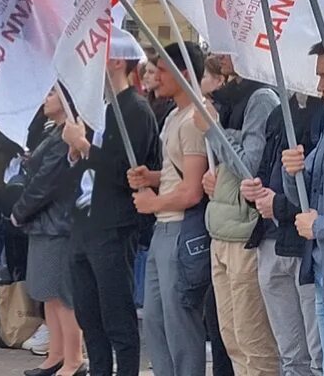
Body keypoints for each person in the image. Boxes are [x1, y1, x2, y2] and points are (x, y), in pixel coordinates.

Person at [62, 29, 160, 376]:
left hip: (114, 225)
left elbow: (124, 171)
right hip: (86, 222)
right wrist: (77, 151)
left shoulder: (135, 109)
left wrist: (86, 148)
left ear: (117, 61)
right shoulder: (102, 107)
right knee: (90, 317)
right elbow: (93, 165)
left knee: (117, 316)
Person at [128, 42, 209, 376]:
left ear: (184, 73)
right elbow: (180, 176)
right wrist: (155, 176)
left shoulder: (194, 118)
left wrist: (152, 202)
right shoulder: (176, 115)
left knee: (179, 324)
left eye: (161, 70)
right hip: (164, 228)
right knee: (156, 322)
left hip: (179, 230)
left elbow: (191, 191)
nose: (154, 76)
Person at [196, 55, 279, 375]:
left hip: (244, 237)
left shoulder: (260, 98)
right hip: (223, 231)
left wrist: (213, 129)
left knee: (253, 342)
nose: (217, 53)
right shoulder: (233, 97)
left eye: (224, 43)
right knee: (232, 339)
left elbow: (250, 165)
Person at [244, 90, 324, 375]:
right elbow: (264, 170)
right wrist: (252, 191)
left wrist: (277, 204)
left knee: (319, 357)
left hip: (307, 249)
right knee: (290, 357)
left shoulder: (322, 115)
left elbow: (319, 192)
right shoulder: (280, 113)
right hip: (270, 242)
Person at [13, 86, 86, 376]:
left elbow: (48, 182)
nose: (45, 98)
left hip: (59, 222)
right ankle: (56, 355)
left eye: (52, 94)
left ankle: (74, 358)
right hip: (46, 222)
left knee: (63, 295)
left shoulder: (67, 133)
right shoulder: (53, 131)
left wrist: (19, 211)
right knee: (49, 295)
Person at [284, 41, 324, 375]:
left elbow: (314, 217)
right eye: (319, 76)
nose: (320, 86)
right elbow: (302, 195)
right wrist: (292, 170)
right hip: (322, 276)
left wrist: (320, 226)